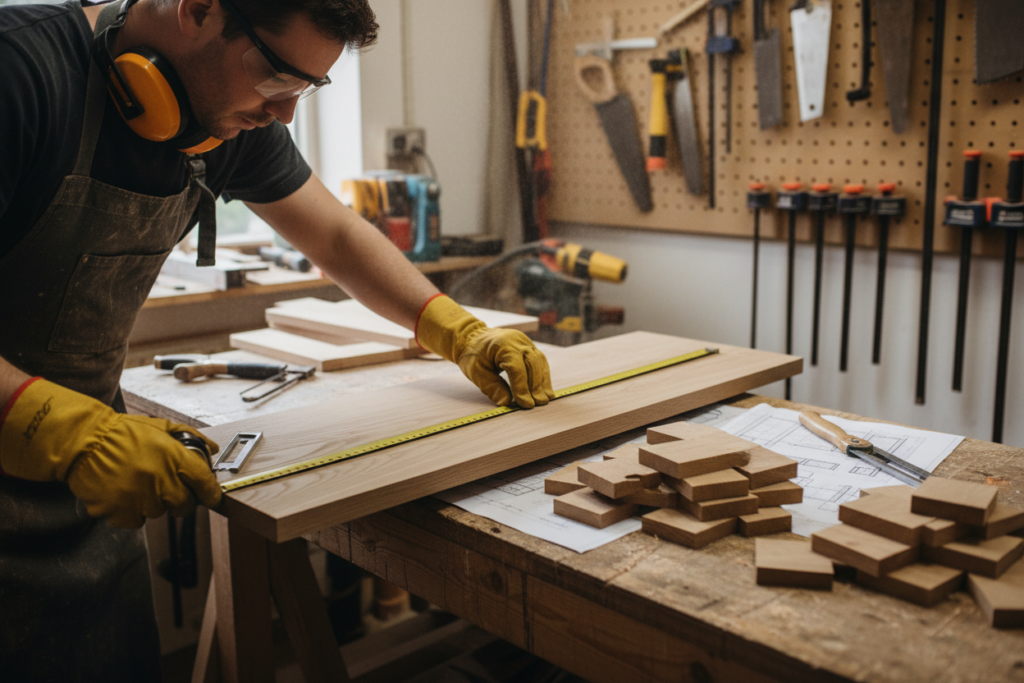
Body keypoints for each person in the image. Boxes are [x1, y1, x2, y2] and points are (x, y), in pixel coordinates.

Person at [0, 0, 554, 678]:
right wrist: (56, 426)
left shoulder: (220, 121)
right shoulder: (19, 71)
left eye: (306, 90)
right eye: (279, 79)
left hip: (91, 496)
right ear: (198, 10)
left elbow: (336, 235)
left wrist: (453, 326)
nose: (287, 112)